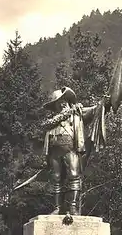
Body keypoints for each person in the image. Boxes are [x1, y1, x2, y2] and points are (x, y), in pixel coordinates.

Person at [42, 86, 111, 215]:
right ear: (55, 105)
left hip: (71, 149)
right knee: (56, 178)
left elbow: (94, 110)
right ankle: (57, 208)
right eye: (58, 102)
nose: (62, 104)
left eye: (63, 101)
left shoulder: (77, 113)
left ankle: (72, 207)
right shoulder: (51, 122)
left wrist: (104, 103)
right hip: (54, 152)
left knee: (74, 175)